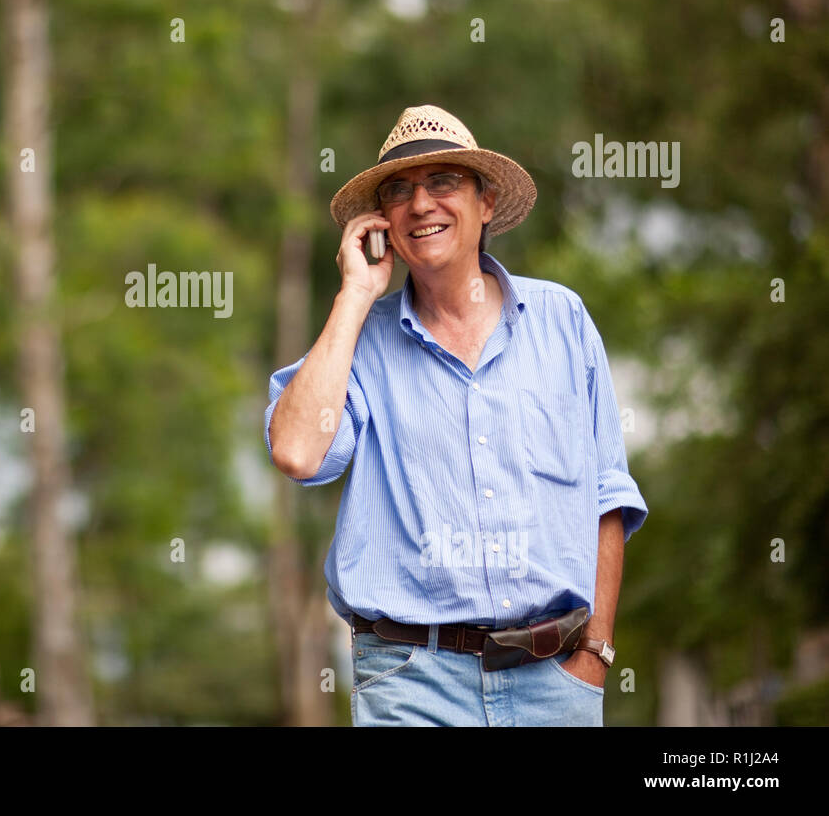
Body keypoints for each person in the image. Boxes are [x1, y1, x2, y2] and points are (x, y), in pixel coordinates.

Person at [264, 104, 648, 726]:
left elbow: (608, 494)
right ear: (381, 220)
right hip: (410, 682)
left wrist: (596, 653)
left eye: (443, 182)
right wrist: (356, 294)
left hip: (555, 680)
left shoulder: (562, 321)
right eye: (399, 191)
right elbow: (299, 452)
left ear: (486, 202)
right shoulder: (361, 343)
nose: (420, 205)